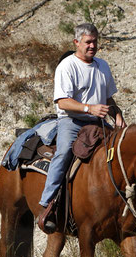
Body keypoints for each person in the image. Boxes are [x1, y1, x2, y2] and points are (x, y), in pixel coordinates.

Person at [37, 23, 126, 233]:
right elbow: (62, 102)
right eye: (88, 42)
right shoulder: (67, 66)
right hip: (72, 121)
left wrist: (118, 115)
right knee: (64, 152)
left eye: (95, 41)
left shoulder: (102, 66)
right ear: (76, 42)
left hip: (99, 123)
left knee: (120, 153)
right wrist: (89, 108)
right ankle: (47, 205)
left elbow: (108, 98)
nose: (92, 46)